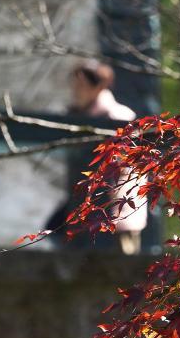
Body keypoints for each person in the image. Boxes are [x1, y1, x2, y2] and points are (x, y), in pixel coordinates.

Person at [45, 60, 144, 252]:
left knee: (119, 270)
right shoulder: (75, 118)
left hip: (114, 214)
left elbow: (124, 166)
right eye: (74, 85)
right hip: (82, 213)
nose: (75, 90)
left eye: (81, 85)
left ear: (97, 86)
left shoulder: (117, 116)